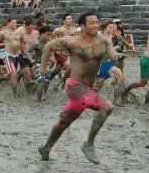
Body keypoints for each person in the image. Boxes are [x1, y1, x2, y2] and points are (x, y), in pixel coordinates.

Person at [37, 12, 116, 164]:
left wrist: (117, 58)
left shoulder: (104, 41)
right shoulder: (73, 42)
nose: (96, 25)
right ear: (82, 26)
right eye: (91, 23)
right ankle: (88, 144)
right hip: (74, 86)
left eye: (97, 22)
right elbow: (48, 47)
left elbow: (112, 55)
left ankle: (46, 147)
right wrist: (42, 70)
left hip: (88, 88)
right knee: (106, 107)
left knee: (64, 123)